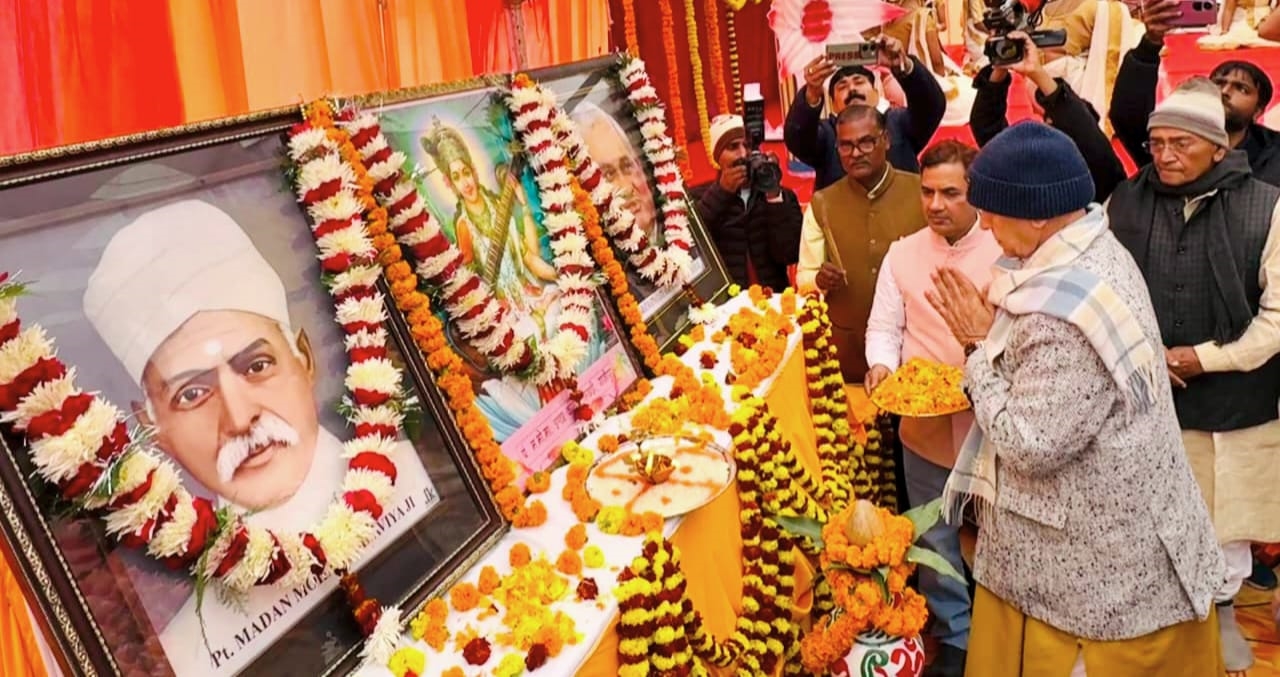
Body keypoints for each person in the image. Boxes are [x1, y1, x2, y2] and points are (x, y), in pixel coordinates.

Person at [82, 200, 437, 674]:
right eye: (192, 393)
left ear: (304, 359)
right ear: (153, 430)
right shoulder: (192, 651)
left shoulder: (427, 482)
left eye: (256, 365)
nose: (239, 416)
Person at [932, 121, 1226, 676]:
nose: (987, 225)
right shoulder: (1093, 251)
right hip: (1124, 538)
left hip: (1096, 579)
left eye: (992, 211)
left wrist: (976, 346)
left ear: (1038, 213)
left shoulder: (1063, 314)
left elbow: (1029, 445)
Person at [1107, 77, 1280, 676]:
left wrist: (1200, 358)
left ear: (1218, 148)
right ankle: (1165, 633)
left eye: (1181, 143)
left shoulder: (1268, 206)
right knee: (1151, 522)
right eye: (1156, 143)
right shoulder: (1125, 202)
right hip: (1148, 393)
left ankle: (1224, 617)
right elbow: (1105, 295)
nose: (1164, 156)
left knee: (1225, 524)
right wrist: (1150, 355)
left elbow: (1277, 321)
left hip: (1234, 397)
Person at [863, 140, 1000, 677]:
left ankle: (1001, 629)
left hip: (991, 426)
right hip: (920, 422)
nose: (936, 204)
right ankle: (956, 634)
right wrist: (880, 367)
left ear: (975, 193)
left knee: (998, 532)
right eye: (927, 192)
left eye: (951, 193)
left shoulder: (1003, 249)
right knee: (934, 536)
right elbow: (883, 328)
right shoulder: (903, 253)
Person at [797, 105, 926, 383]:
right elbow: (803, 279)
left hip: (917, 351)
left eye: (866, 142)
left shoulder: (922, 192)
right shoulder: (822, 204)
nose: (856, 153)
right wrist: (819, 280)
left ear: (886, 140)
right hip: (847, 356)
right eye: (846, 146)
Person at [1111, 0, 1280, 185]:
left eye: (1242, 88)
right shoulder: (1168, 145)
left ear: (1259, 111)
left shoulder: (1272, 156)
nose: (1224, 91)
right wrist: (1149, 46)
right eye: (1219, 83)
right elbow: (1129, 117)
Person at [969, 31, 1126, 202]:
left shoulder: (1097, 175)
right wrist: (999, 68)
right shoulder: (1025, 166)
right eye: (1047, 123)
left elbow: (1085, 134)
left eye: (1054, 123)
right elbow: (987, 129)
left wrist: (1038, 74)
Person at [784, 36, 946, 191]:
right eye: (842, 86)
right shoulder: (826, 135)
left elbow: (931, 105)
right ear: (833, 105)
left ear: (876, 93)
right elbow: (797, 138)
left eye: (859, 81)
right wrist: (811, 93)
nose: (852, 89)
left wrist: (903, 67)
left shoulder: (900, 123)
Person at [690, 114, 803, 290]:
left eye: (747, 146)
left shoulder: (780, 195)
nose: (742, 154)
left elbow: (790, 254)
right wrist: (722, 192)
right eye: (733, 147)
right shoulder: (700, 197)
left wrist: (774, 196)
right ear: (717, 156)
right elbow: (692, 248)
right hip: (727, 306)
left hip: (774, 301)